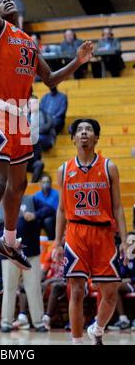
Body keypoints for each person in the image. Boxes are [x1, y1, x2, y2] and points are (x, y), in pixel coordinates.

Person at [0, 0, 94, 293]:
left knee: (20, 184)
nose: (3, 2)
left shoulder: (29, 42)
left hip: (21, 117)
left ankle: (8, 241)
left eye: (7, 0)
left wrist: (77, 61)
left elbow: (50, 80)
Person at [54, 118, 128, 345]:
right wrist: (57, 242)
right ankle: (77, 341)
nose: (84, 133)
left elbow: (117, 207)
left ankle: (97, 328)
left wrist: (124, 240)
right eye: (79, 130)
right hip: (76, 233)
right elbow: (61, 209)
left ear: (96, 138)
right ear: (74, 138)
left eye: (89, 130)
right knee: (75, 291)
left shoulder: (109, 167)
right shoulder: (64, 169)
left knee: (110, 293)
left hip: (104, 234)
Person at [0, 204, 47, 333]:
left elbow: (50, 210)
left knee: (34, 288)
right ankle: (6, 322)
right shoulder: (4, 201)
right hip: (10, 253)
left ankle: (39, 323)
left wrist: (35, 215)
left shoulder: (32, 199)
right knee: (9, 288)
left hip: (31, 253)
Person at [31, 174, 59, 240]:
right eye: (43, 182)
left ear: (51, 183)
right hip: (40, 217)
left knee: (48, 221)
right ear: (40, 184)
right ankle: (35, 242)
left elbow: (54, 210)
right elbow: (35, 209)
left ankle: (52, 241)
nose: (46, 184)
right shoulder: (36, 195)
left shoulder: (56, 194)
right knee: (35, 221)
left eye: (47, 182)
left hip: (52, 218)